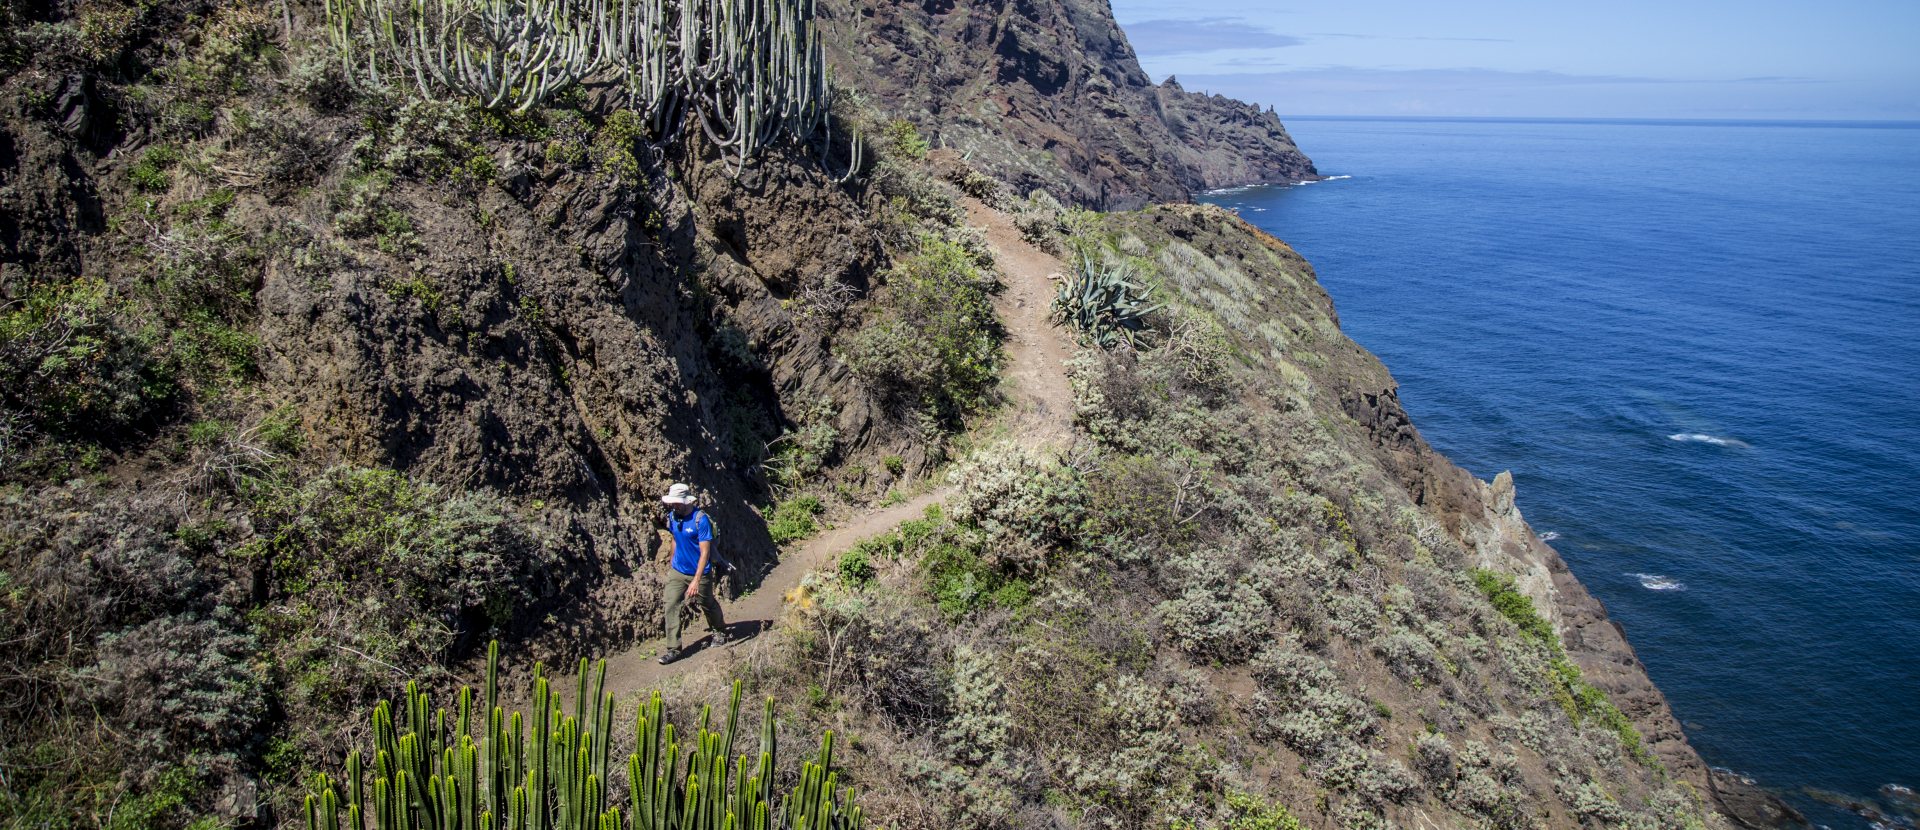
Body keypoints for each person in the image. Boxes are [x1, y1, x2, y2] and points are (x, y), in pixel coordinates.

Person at [658, 482, 728, 664]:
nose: (673, 505)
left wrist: (696, 580)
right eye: (672, 502)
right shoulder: (673, 516)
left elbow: (704, 552)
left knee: (706, 602)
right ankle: (673, 649)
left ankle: (719, 631)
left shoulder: (700, 520)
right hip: (678, 571)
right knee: (671, 604)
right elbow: (674, 539)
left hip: (699, 572)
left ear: (686, 501)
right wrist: (671, 562)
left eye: (676, 502)